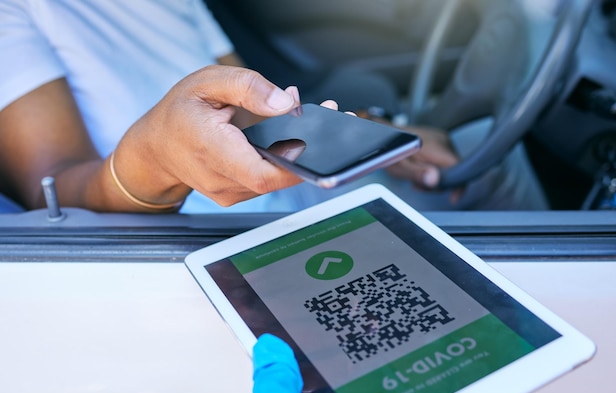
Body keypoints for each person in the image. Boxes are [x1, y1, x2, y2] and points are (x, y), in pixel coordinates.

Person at [0, 0, 547, 214]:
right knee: (489, 166)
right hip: (187, 227)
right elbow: (52, 194)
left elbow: (247, 101)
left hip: (282, 183)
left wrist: (375, 133)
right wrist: (158, 159)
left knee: (479, 150)